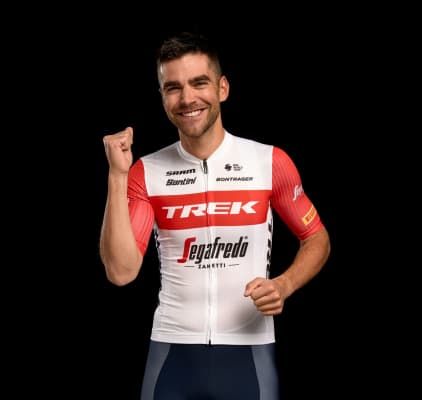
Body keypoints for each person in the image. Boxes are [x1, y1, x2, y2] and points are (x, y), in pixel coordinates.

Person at [100, 31, 331, 400]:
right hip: (172, 353)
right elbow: (121, 271)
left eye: (199, 83)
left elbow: (316, 237)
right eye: (173, 87)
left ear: (222, 88)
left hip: (249, 354)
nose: (187, 98)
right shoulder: (146, 171)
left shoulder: (269, 162)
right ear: (162, 97)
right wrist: (117, 175)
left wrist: (284, 285)